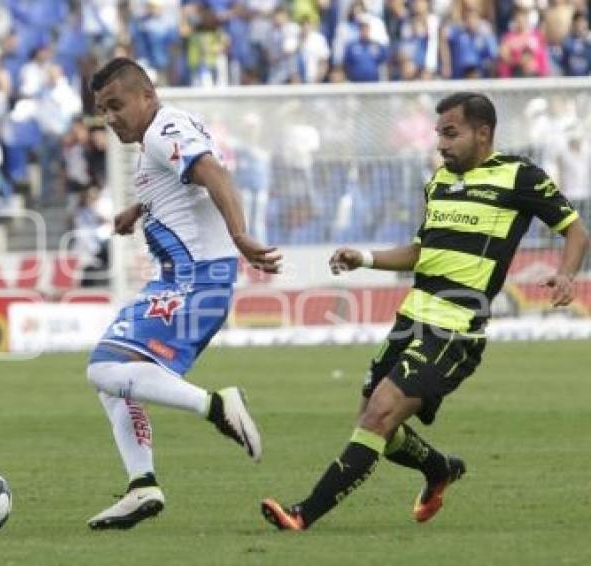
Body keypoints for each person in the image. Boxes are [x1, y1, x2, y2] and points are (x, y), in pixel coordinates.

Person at [261, 92, 590, 531]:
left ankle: (303, 514)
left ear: (483, 133)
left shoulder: (519, 176)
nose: (441, 144)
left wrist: (566, 275)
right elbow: (422, 251)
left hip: (457, 325)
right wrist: (366, 257)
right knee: (371, 417)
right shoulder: (438, 182)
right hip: (411, 315)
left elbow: (575, 232)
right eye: (439, 134)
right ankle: (438, 468)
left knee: (379, 413)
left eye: (451, 134)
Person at [84, 57, 281, 530]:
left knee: (104, 367)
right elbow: (185, 182)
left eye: (117, 105)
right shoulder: (163, 133)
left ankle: (216, 406)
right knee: (114, 383)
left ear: (147, 96)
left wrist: (240, 237)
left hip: (195, 281)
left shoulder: (161, 130)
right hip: (181, 282)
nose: (110, 119)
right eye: (102, 110)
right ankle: (142, 485)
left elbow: (215, 175)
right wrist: (139, 208)